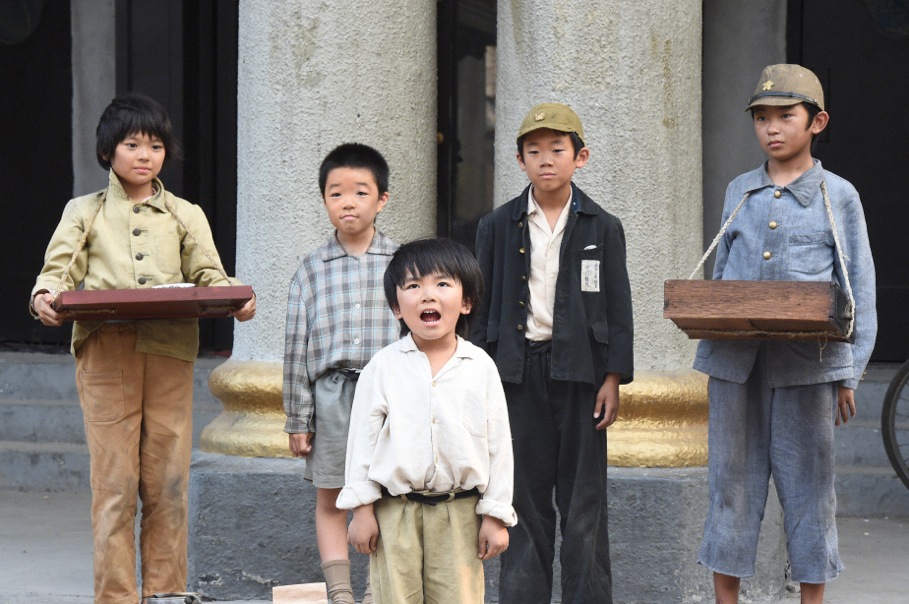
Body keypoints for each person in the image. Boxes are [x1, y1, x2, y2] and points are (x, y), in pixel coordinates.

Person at [30, 94, 256, 604]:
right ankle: (115, 597)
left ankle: (165, 594)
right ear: (107, 151)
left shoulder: (185, 213)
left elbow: (210, 274)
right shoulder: (84, 211)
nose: (145, 155)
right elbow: (56, 271)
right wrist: (44, 297)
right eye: (132, 144)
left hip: (170, 354)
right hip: (106, 353)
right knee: (114, 486)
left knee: (168, 482)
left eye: (155, 145)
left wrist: (237, 299)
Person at [693, 64, 877, 604]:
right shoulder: (740, 191)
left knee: (810, 490)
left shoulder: (838, 196)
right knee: (730, 485)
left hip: (810, 368)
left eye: (785, 116)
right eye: (761, 118)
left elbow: (859, 288)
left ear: (817, 122)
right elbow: (720, 277)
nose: (772, 128)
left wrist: (849, 373)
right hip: (735, 366)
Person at [470, 102, 634, 603]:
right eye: (534, 151)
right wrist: (478, 376)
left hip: (582, 374)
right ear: (519, 160)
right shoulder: (496, 225)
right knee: (522, 502)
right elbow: (481, 306)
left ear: (580, 157)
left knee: (585, 505)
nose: (546, 160)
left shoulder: (603, 227)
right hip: (516, 375)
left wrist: (613, 377)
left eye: (557, 150)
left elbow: (619, 306)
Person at [337, 238, 517, 604]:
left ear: (466, 302)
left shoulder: (480, 367)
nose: (428, 295)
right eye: (413, 286)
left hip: (460, 514)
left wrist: (496, 516)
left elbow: (499, 445)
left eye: (443, 283)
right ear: (396, 307)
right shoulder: (383, 367)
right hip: (395, 513)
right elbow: (362, 443)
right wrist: (362, 510)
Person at [282, 143, 399, 604]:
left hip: (387, 395)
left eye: (360, 192)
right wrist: (298, 418)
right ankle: (341, 592)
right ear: (324, 200)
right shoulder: (311, 269)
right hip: (331, 395)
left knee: (386, 494)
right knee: (332, 496)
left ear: (382, 199)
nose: (348, 202)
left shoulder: (402, 263)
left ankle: (377, 590)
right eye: (336, 193)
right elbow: (296, 346)